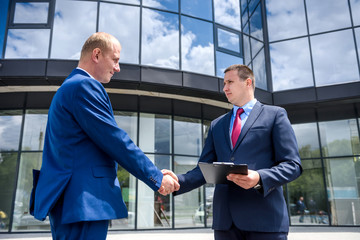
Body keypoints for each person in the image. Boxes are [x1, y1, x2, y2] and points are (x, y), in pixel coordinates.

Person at [29, 32, 179, 240]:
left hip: (75, 202)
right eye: (115, 60)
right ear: (97, 54)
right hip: (82, 202)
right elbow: (115, 140)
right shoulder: (84, 85)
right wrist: (156, 177)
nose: (118, 68)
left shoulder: (70, 87)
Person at [165, 64, 302, 240]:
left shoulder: (275, 115)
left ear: (248, 82)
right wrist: (177, 181)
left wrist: (260, 178)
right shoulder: (217, 125)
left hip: (265, 221)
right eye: (224, 83)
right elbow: (204, 169)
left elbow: (292, 165)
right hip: (226, 223)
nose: (225, 88)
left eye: (230, 82)